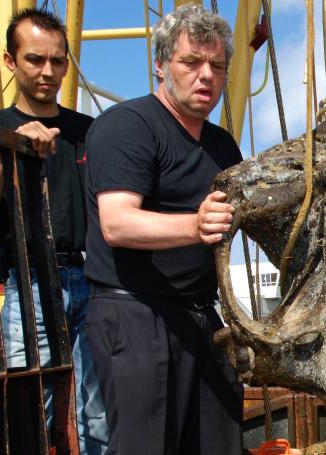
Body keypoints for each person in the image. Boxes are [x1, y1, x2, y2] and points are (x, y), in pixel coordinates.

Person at [83, 4, 243, 453]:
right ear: (160, 63)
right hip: (135, 314)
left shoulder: (222, 145)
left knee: (218, 443)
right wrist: (194, 225)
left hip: (199, 314)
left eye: (216, 65)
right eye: (191, 62)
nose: (205, 75)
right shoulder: (128, 126)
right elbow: (117, 222)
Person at [0, 8, 107, 454]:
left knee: (98, 414)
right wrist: (11, 146)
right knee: (28, 412)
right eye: (35, 59)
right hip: (30, 283)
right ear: (9, 60)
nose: (48, 71)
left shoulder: (88, 131)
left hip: (92, 281)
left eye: (58, 61)